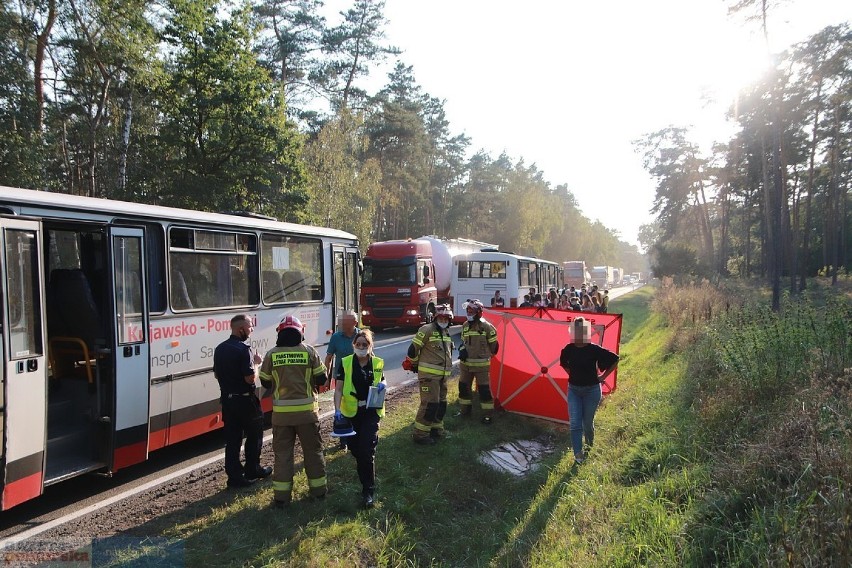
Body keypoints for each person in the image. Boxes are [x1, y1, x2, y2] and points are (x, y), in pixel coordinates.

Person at [259, 315, 328, 507]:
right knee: (313, 452)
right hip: (307, 414)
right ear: (301, 332)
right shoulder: (309, 352)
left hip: (281, 417)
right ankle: (319, 492)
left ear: (279, 333)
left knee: (283, 455)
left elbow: (264, 381)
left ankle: (281, 498)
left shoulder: (272, 354)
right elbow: (322, 379)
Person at [213, 315, 272, 489]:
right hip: (245, 401)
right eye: (250, 327)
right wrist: (257, 364)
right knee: (254, 435)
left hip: (227, 400)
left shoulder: (220, 349)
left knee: (232, 440)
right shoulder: (243, 349)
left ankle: (234, 478)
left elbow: (217, 374)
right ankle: (253, 469)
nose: (251, 330)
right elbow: (249, 378)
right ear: (241, 329)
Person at [334, 330, 385, 508]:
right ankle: (364, 474)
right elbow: (339, 389)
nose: (362, 347)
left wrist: (383, 384)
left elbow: (382, 381)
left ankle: (368, 491)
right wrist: (337, 410)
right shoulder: (346, 362)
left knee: (366, 451)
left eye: (365, 344)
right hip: (351, 413)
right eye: (359, 344)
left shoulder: (378, 362)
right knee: (356, 450)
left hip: (371, 412)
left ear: (371, 346)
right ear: (354, 345)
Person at [559, 317, 619, 465]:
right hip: (574, 390)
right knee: (575, 423)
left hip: (592, 391)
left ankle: (589, 446)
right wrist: (572, 374)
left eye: (581, 331)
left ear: (586, 332)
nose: (578, 334)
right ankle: (578, 455)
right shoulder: (568, 349)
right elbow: (563, 363)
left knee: (587, 423)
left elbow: (615, 359)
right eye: (575, 331)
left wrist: (603, 376)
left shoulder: (594, 349)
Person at [404, 304, 454, 444]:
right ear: (436, 317)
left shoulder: (445, 333)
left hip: (442, 377)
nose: (443, 320)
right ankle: (420, 435)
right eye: (441, 317)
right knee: (430, 405)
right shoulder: (426, 329)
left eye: (446, 318)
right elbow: (412, 350)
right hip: (429, 378)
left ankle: (436, 430)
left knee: (441, 404)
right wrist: (414, 364)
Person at [457, 300, 499, 424]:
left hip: (481, 366)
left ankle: (488, 415)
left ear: (479, 312)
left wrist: (484, 355)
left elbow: (494, 347)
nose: (469, 313)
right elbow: (464, 342)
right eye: (468, 310)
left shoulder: (487, 327)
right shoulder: (465, 325)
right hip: (465, 366)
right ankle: (465, 412)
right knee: (463, 388)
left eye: (472, 311)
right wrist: (463, 349)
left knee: (484, 391)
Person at [325, 310, 360, 450]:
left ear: (355, 323)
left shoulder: (361, 336)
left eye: (346, 322)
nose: (342, 324)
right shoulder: (336, 337)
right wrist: (326, 377)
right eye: (342, 322)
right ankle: (343, 439)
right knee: (341, 408)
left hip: (358, 377)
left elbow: (370, 355)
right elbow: (329, 358)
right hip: (341, 378)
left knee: (356, 406)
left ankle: (356, 435)